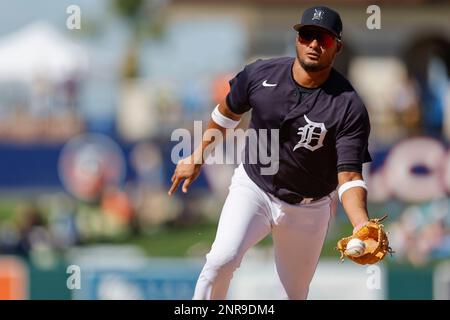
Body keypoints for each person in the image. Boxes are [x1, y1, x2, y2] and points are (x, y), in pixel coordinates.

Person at [168, 6, 372, 300]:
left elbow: (350, 176)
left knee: (295, 294)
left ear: (337, 47)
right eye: (308, 35)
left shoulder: (348, 105)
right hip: (255, 187)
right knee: (220, 261)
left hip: (309, 207)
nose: (314, 44)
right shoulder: (262, 73)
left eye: (324, 39)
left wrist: (361, 223)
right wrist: (198, 155)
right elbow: (226, 113)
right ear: (297, 39)